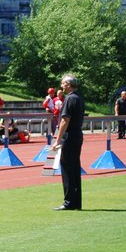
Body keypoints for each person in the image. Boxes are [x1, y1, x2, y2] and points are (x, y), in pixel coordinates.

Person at [52, 74, 84, 210]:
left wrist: (58, 139)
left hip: (69, 136)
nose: (61, 86)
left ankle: (69, 202)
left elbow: (65, 120)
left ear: (69, 84)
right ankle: (76, 201)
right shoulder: (79, 98)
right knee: (75, 168)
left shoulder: (69, 99)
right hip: (77, 134)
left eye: (63, 84)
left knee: (67, 168)